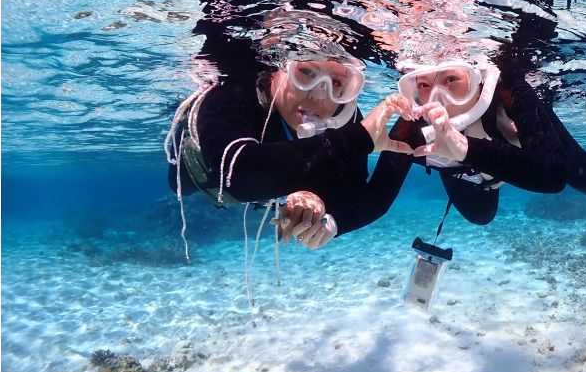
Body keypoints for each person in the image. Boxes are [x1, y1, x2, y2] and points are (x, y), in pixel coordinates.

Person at [361, 56, 586, 226]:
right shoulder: (410, 124)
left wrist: (463, 148)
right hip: (473, 175)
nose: (438, 97)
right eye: (422, 85)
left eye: (452, 80)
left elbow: (551, 176)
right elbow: (373, 202)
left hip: (525, 150)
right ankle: (485, 179)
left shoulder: (509, 91)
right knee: (480, 216)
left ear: (478, 79)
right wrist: (321, 218)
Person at [164, 35, 413, 252]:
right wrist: (360, 138)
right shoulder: (234, 93)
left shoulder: (344, 118)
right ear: (276, 72)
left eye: (337, 84)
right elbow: (237, 173)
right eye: (306, 73)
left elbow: (363, 198)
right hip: (198, 171)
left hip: (272, 176)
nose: (319, 94)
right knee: (179, 186)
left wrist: (329, 219)